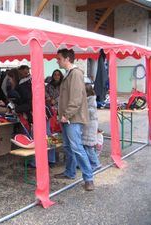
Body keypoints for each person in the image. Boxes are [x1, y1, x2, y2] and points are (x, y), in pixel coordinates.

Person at [54, 48, 95, 191]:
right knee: (68, 147)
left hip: (72, 118)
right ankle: (70, 172)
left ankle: (89, 178)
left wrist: (67, 115)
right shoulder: (70, 74)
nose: (57, 60)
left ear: (66, 59)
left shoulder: (76, 74)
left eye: (59, 58)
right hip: (68, 118)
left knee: (77, 148)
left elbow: (76, 99)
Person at [82, 83, 102, 172]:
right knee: (87, 146)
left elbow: (90, 112)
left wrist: (82, 109)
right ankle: (92, 163)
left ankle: (96, 164)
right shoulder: (89, 99)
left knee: (88, 147)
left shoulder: (90, 100)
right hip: (88, 125)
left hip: (90, 126)